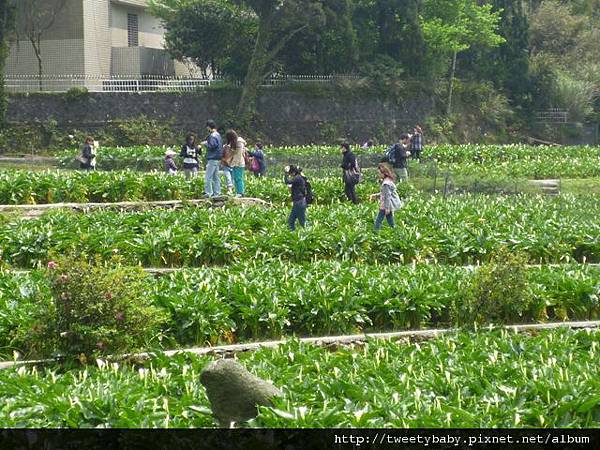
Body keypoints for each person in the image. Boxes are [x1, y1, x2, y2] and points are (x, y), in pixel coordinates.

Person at [372, 163, 403, 231]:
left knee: (378, 220)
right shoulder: (388, 180)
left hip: (386, 205)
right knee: (390, 220)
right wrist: (376, 195)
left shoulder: (386, 184)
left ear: (384, 173)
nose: (378, 175)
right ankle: (395, 231)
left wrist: (387, 208)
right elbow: (384, 193)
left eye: (379, 173)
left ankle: (375, 233)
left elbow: (387, 196)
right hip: (388, 204)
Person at [202, 120, 223, 197]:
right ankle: (217, 193)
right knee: (215, 177)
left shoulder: (212, 135)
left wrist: (205, 144)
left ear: (208, 127)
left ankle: (208, 193)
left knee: (208, 176)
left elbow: (212, 146)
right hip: (218, 158)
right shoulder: (218, 135)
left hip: (212, 158)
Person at [284, 165, 307, 231]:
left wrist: (285, 173)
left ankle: (308, 236)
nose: (290, 175)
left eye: (290, 173)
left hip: (299, 203)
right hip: (298, 202)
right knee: (291, 222)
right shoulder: (299, 178)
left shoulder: (297, 178)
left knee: (302, 222)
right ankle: (292, 235)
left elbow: (287, 181)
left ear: (293, 172)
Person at [225, 130, 247, 197]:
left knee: (238, 178)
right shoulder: (235, 142)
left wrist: (233, 164)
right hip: (235, 163)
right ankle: (238, 192)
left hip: (239, 163)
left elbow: (239, 155)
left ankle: (240, 192)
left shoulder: (239, 142)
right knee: (236, 178)